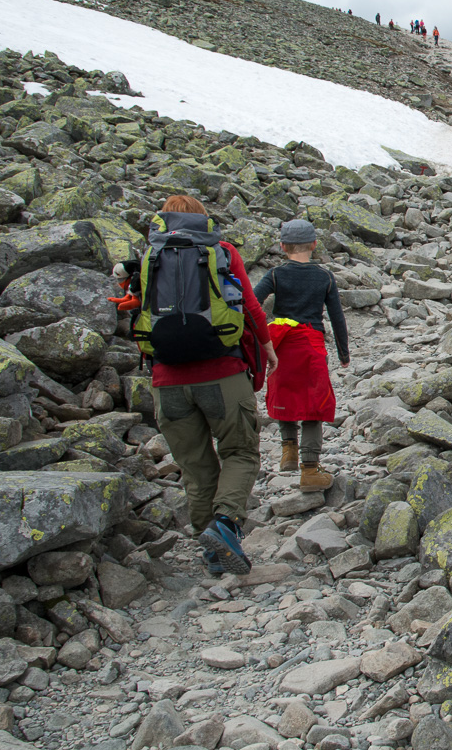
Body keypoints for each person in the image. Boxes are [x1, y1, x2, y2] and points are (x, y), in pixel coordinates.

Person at [142, 195, 276, 576]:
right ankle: (225, 525)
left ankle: (211, 551)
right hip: (222, 374)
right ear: (203, 220)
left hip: (167, 380)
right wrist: (266, 347)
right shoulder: (221, 251)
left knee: (196, 468)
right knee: (240, 452)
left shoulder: (150, 256)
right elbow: (249, 306)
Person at [253, 220, 350, 492]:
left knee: (285, 393)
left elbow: (252, 303)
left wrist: (260, 336)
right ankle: (310, 470)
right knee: (313, 403)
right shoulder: (324, 277)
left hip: (281, 343)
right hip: (311, 343)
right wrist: (344, 352)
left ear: (283, 247)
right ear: (315, 245)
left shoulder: (275, 275)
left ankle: (288, 452)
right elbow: (337, 318)